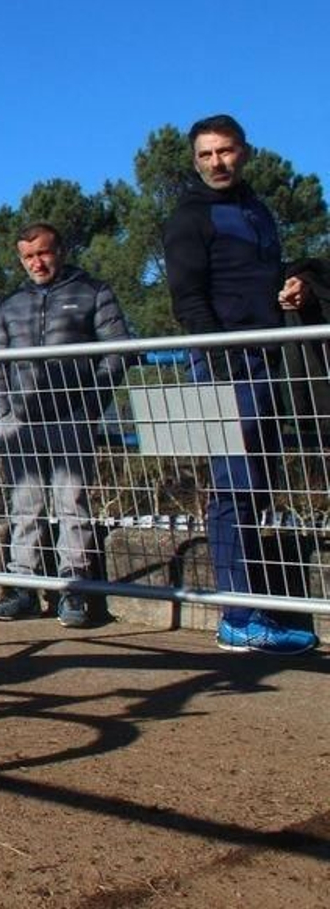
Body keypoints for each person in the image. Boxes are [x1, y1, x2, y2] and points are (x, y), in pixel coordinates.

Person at [164, 114, 319, 654]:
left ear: (245, 152)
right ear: (195, 161)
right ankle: (237, 615)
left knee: (255, 486)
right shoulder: (188, 218)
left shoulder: (257, 210)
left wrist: (291, 289)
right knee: (233, 487)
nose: (216, 163)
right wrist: (223, 357)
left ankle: (254, 609)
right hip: (221, 364)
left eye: (225, 152)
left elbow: (260, 279)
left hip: (264, 358)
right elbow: (187, 300)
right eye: (205, 155)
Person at [0, 222, 129, 628]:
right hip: (22, 423)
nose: (37, 263)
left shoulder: (92, 292)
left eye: (43, 253)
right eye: (28, 257)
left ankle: (75, 591)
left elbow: (118, 352)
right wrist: (2, 416)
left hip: (71, 418)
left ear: (60, 251)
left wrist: (89, 405)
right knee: (24, 508)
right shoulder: (9, 303)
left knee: (73, 506)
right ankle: (23, 588)